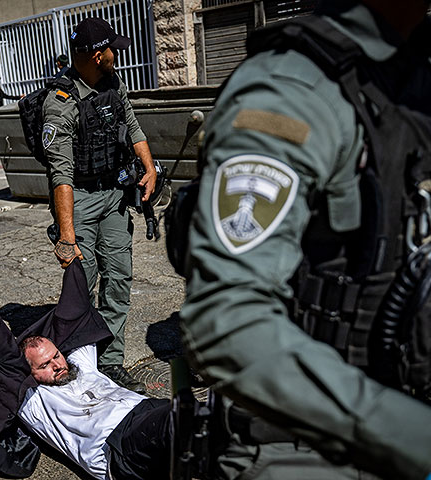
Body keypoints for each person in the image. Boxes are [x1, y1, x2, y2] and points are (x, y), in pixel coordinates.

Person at [179, 0, 431, 479]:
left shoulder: (414, 77)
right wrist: (416, 439)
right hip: (308, 438)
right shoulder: (289, 91)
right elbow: (226, 318)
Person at [0, 259, 172, 480]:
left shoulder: (79, 364)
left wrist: (70, 259)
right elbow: (2, 348)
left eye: (56, 356)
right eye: (44, 365)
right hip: (119, 445)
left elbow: (75, 307)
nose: (57, 366)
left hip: (148, 413)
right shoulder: (33, 400)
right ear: (28, 372)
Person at [42, 17, 157, 393]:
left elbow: (132, 125)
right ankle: (77, 361)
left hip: (113, 196)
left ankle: (110, 362)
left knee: (119, 279)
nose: (115, 55)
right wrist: (67, 236)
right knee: (82, 284)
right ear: (96, 54)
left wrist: (150, 167)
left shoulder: (112, 82)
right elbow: (60, 176)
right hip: (80, 198)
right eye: (111, 49)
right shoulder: (61, 104)